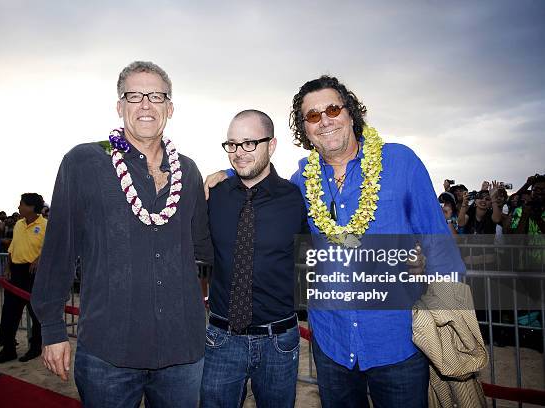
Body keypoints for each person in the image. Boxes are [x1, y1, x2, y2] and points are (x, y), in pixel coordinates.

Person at [205, 75, 462, 407]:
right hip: (332, 345)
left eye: (332, 109)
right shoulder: (302, 184)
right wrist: (225, 176)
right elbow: (261, 180)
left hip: (398, 340)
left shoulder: (400, 163)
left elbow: (440, 250)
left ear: (350, 113)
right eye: (312, 116)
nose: (324, 120)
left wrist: (447, 318)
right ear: (305, 129)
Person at [31, 61, 213, 408]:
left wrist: (233, 186)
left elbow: (205, 246)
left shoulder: (187, 170)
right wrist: (52, 329)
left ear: (169, 108)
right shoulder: (84, 162)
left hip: (183, 352)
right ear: (120, 106)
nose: (145, 104)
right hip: (108, 352)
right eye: (134, 95)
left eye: (156, 96)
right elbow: (59, 250)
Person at [201, 110, 309, 407]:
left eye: (249, 143)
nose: (238, 153)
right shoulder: (213, 194)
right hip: (221, 338)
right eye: (232, 144)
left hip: (280, 341)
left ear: (271, 145)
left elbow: (315, 259)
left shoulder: (295, 199)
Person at [0, 193, 47, 364]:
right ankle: (8, 349)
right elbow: (13, 247)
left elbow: (50, 248)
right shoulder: (19, 224)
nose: (18, 207)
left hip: (34, 273)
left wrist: (38, 260)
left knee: (35, 312)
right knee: (10, 311)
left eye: (21, 204)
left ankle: (35, 347)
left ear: (31, 207)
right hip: (16, 272)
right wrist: (8, 266)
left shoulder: (45, 225)